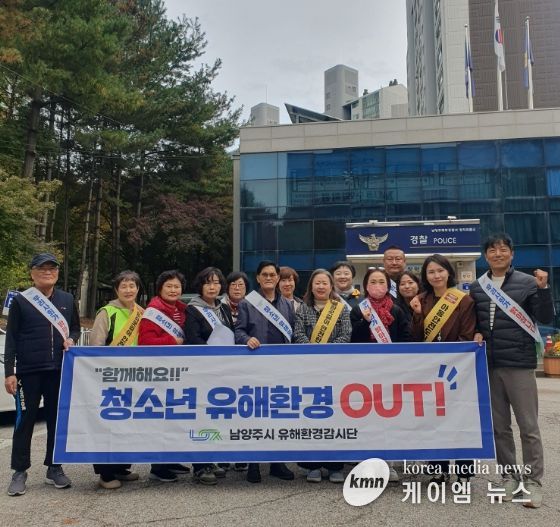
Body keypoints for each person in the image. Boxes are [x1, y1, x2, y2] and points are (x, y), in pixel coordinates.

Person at [470, 234, 553, 508]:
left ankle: (533, 481)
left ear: (512, 254)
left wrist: (544, 289)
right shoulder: (477, 287)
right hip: (489, 365)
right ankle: (509, 477)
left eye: (503, 249)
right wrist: (476, 333)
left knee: (528, 426)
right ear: (485, 256)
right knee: (500, 428)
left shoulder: (528, 282)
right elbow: (475, 322)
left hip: (519, 363)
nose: (498, 254)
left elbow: (545, 317)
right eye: (492, 250)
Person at [4, 253, 80, 496]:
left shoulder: (67, 299)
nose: (48, 272)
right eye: (42, 268)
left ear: (57, 272)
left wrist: (72, 339)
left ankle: (54, 467)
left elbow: (75, 328)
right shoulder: (21, 300)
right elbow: (11, 338)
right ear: (32, 273)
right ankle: (19, 471)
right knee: (25, 420)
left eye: (52, 268)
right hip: (28, 371)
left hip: (58, 370)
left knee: (56, 420)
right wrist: (9, 372)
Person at [410, 254, 475, 484]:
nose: (436, 275)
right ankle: (438, 468)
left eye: (440, 270)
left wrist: (449, 358)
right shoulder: (420, 300)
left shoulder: (463, 300)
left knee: (460, 418)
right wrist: (417, 315)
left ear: (448, 272)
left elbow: (467, 335)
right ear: (425, 276)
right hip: (428, 370)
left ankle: (464, 471)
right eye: (431, 272)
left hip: (456, 368)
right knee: (433, 418)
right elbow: (415, 338)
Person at [235, 260, 295, 484]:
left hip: (281, 368)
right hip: (255, 366)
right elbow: (238, 331)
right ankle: (253, 463)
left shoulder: (287, 304)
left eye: (272, 274)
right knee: (256, 416)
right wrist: (246, 339)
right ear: (258, 278)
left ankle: (277, 463)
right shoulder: (247, 303)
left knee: (278, 415)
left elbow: (292, 333)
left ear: (278, 278)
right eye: (265, 275)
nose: (269, 278)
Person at [349, 267, 411, 483]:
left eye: (381, 282)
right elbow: (353, 340)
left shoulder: (397, 310)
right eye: (373, 282)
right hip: (364, 373)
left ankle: (389, 464)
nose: (377, 286)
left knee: (388, 418)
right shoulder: (358, 309)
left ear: (388, 286)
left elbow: (406, 337)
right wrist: (364, 322)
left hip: (391, 372)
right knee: (364, 417)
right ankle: (365, 461)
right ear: (366, 286)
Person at [293, 269, 351, 483]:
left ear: (331, 286)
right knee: (311, 416)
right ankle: (313, 465)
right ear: (311, 286)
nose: (320, 287)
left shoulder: (340, 308)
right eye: (317, 283)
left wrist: (328, 352)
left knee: (335, 416)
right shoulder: (303, 308)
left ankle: (335, 466)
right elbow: (298, 333)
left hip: (335, 369)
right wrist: (312, 351)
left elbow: (346, 334)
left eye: (324, 283)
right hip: (309, 370)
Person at [89, 270, 143, 489]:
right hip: (110, 377)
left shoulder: (141, 312)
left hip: (134, 377)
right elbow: (96, 346)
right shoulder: (107, 312)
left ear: (138, 289)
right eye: (124, 286)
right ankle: (106, 473)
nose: (128, 290)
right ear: (116, 289)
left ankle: (121, 467)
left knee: (128, 424)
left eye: (132, 286)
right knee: (108, 424)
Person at [185, 267, 235, 485]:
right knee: (201, 417)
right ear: (200, 286)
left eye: (216, 282)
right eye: (208, 282)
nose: (212, 287)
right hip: (202, 370)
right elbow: (192, 338)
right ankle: (200, 465)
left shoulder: (223, 308)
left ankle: (212, 459)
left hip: (222, 371)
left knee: (216, 417)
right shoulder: (193, 309)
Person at [138, 270, 190, 482]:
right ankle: (158, 466)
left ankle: (171, 459)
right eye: (169, 286)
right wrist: (172, 342)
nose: (173, 290)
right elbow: (145, 342)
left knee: (175, 418)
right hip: (159, 372)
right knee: (160, 420)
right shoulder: (153, 312)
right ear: (160, 288)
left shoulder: (182, 309)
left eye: (177, 286)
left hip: (179, 372)